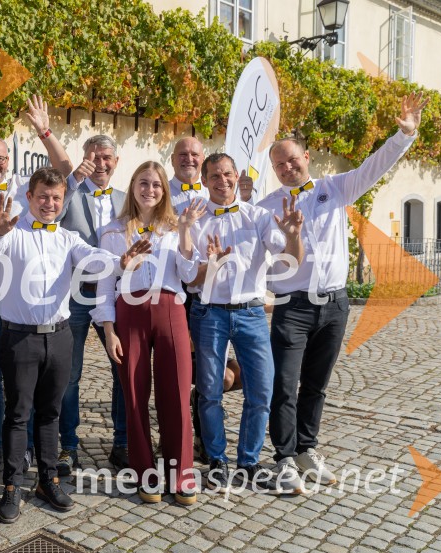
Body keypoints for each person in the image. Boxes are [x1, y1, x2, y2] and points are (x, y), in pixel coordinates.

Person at [259, 93, 427, 492]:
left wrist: (403, 136)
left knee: (316, 384)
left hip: (335, 304)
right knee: (284, 383)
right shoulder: (266, 207)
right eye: (279, 164)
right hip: (292, 307)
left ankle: (306, 448)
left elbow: (373, 169)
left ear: (307, 156)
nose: (287, 167)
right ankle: (283, 457)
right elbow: (257, 256)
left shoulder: (335, 189)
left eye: (292, 159)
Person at [0, 168, 150, 523]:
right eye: (43, 196)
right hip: (19, 337)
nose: (49, 203)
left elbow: (94, 258)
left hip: (59, 336)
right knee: (17, 415)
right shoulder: (12, 233)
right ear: (29, 197)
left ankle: (47, 479)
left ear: (63, 201)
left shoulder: (68, 238)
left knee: (50, 414)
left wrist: (120, 262)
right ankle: (11, 486)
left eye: (56, 198)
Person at [187, 152, 304, 493]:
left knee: (262, 390)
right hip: (209, 314)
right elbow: (191, 278)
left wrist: (294, 235)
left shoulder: (259, 217)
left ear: (236, 176)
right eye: (214, 176)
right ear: (205, 180)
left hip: (251, 312)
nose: (222, 181)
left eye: (227, 174)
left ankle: (249, 462)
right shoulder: (195, 221)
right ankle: (217, 460)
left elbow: (290, 263)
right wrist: (210, 263)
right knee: (209, 392)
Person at [0, 95, 74, 474]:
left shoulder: (25, 191)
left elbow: (65, 170)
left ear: (8, 162)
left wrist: (44, 130)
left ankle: (28, 448)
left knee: (27, 383)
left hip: (26, 300)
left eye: (0, 158)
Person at [92, 161, 204, 505]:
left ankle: (181, 473)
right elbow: (103, 285)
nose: (150, 189)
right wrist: (109, 331)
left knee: (176, 392)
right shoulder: (113, 231)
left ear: (164, 190)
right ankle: (144, 473)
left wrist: (185, 231)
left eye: (156, 184)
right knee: (135, 394)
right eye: (143, 183)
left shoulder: (176, 226)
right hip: (130, 312)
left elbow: (188, 274)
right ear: (133, 186)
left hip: (170, 309)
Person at [169, 137, 243, 465]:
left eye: (194, 154)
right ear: (172, 159)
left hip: (202, 298)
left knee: (203, 373)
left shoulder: (214, 194)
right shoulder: (159, 193)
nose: (188, 158)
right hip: (169, 295)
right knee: (172, 372)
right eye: (182, 154)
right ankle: (172, 437)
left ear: (202, 161)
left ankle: (202, 437)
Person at [57, 135, 128, 475]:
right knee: (69, 375)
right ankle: (68, 446)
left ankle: (123, 443)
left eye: (107, 157)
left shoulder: (127, 200)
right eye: (94, 156)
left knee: (122, 368)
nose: (101, 163)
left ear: (116, 161)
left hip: (115, 295)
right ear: (84, 159)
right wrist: (74, 181)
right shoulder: (72, 192)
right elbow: (53, 212)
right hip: (75, 295)